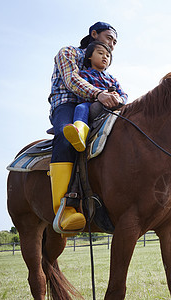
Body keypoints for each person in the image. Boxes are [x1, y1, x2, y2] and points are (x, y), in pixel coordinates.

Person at [48, 22, 121, 234]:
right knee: (64, 134)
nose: (112, 45)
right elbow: (72, 80)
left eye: (115, 43)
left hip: (95, 105)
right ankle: (64, 209)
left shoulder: (103, 66)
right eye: (109, 38)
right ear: (94, 34)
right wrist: (99, 94)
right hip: (67, 104)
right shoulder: (68, 52)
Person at [63, 41, 127, 152]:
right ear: (89, 57)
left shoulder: (112, 79)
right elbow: (82, 91)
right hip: (93, 104)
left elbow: (124, 94)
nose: (105, 57)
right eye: (100, 53)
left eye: (108, 55)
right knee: (81, 108)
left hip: (113, 105)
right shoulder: (84, 74)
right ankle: (80, 132)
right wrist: (98, 95)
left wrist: (119, 98)